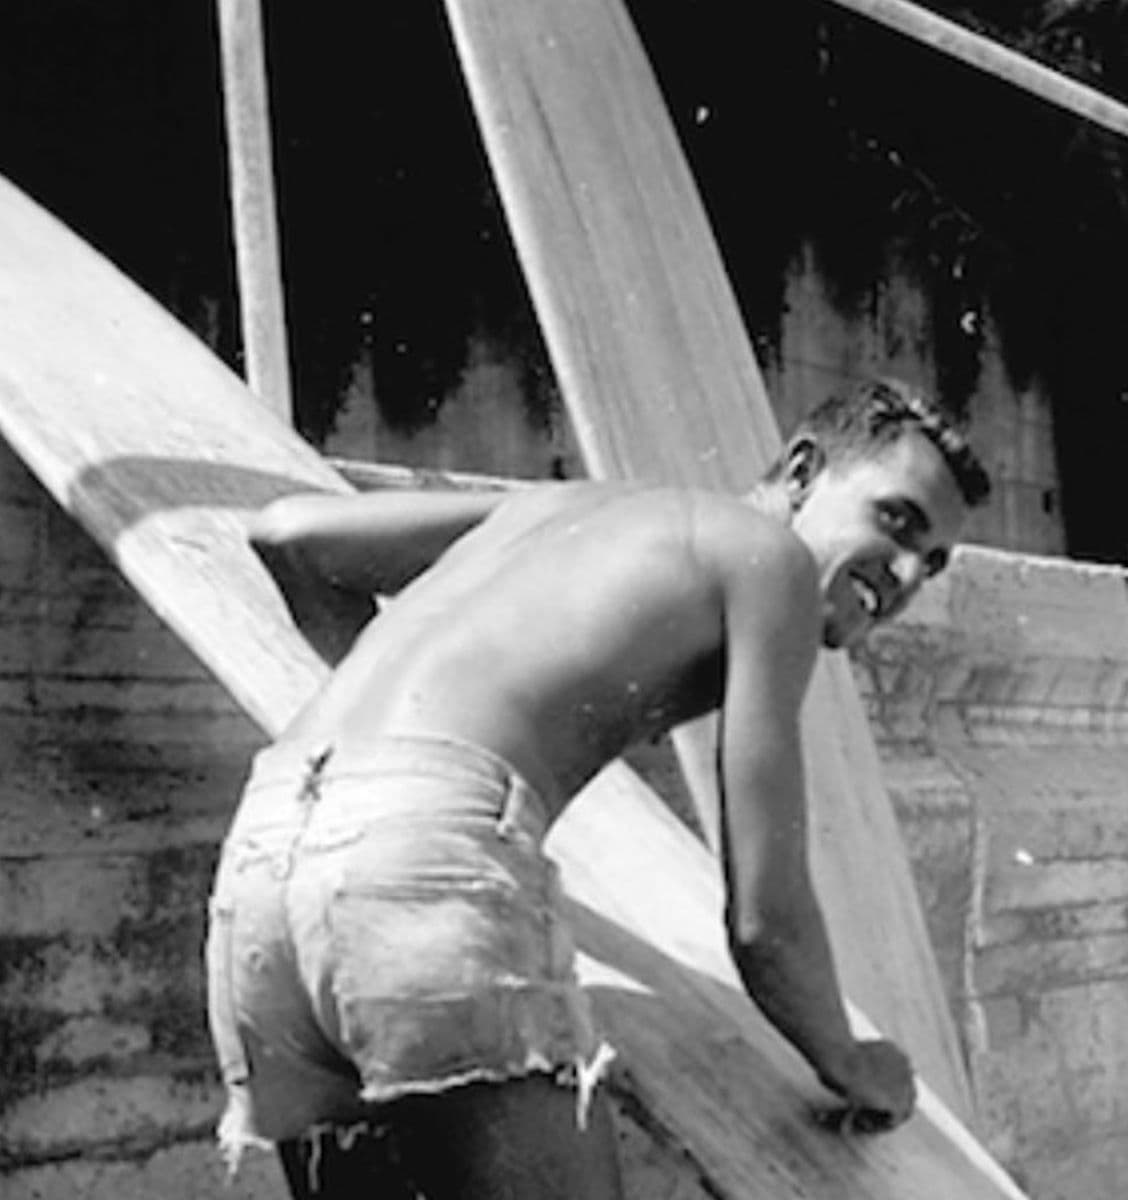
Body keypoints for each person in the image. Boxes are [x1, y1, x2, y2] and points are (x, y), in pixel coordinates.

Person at [207, 378, 993, 1198]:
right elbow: (767, 921)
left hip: (261, 865)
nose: (905, 573)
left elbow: (291, 532)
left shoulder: (563, 509)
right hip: (424, 865)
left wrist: (388, 757)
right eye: (896, 520)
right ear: (801, 471)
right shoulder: (773, 562)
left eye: (931, 563)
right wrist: (853, 1061)